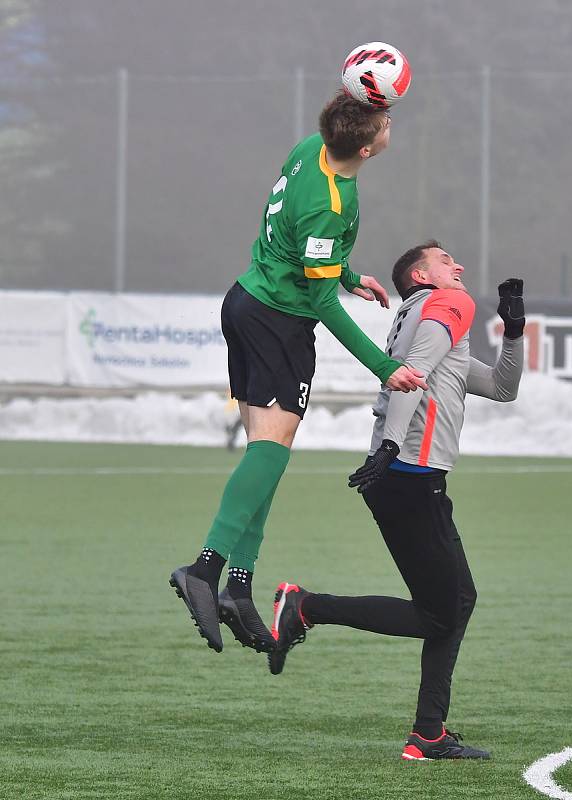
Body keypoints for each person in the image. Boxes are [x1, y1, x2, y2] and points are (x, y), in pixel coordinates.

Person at [170, 94, 427, 656]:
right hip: (278, 322)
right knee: (272, 450)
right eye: (384, 123)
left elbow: (306, 248)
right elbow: (323, 301)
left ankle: (237, 587)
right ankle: (205, 570)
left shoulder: (312, 148)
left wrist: (349, 273)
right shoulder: (331, 203)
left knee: (269, 448)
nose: (389, 127)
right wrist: (386, 368)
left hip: (248, 302)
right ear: (366, 146)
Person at [268, 241, 525, 760]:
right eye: (445, 260)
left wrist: (513, 332)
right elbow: (412, 374)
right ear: (420, 275)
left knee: (456, 603)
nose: (459, 266)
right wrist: (389, 444)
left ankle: (428, 731)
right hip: (408, 476)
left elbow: (501, 387)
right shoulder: (448, 304)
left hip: (408, 479)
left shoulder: (424, 314)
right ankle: (306, 607)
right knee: (440, 615)